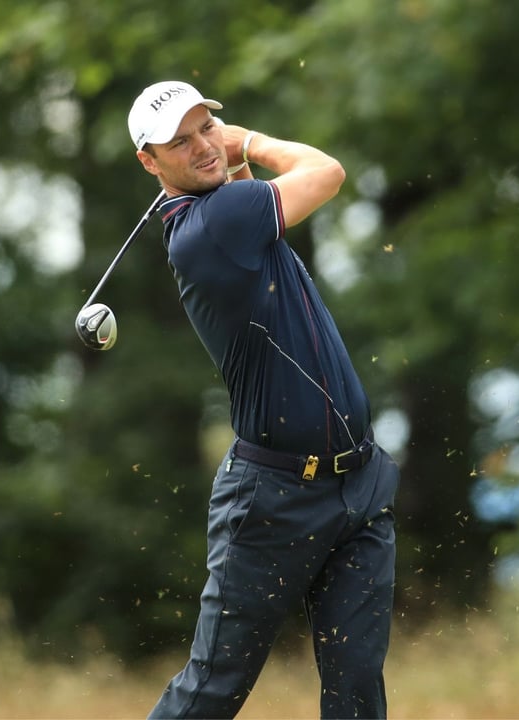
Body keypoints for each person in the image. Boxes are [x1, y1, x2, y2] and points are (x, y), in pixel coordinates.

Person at [127, 80, 400, 719]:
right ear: (150, 162)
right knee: (212, 690)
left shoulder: (228, 210)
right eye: (181, 141)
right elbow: (327, 172)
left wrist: (227, 155)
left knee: (358, 691)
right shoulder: (218, 222)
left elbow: (240, 182)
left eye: (205, 128)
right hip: (273, 501)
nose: (202, 147)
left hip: (357, 486)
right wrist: (244, 138)